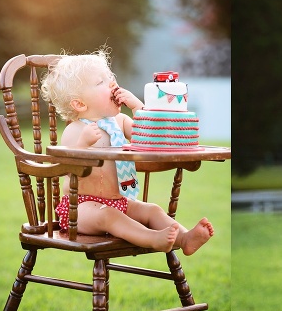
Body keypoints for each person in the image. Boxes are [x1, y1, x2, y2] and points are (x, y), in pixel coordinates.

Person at [41, 50, 214, 255]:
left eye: (111, 77)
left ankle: (185, 238)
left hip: (119, 201)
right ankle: (152, 238)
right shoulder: (75, 130)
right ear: (80, 103)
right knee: (110, 216)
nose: (112, 83)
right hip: (80, 208)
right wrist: (83, 144)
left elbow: (150, 136)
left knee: (151, 210)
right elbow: (69, 170)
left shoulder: (120, 121)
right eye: (101, 82)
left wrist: (137, 106)